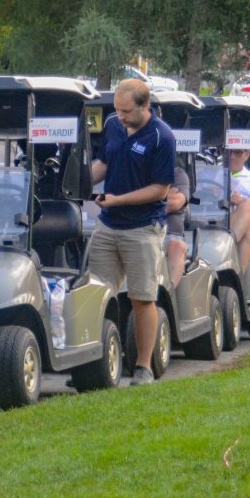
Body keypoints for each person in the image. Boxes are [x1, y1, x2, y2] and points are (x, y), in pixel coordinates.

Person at [87, 79, 176, 385]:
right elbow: (104, 162)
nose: (121, 117)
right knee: (99, 294)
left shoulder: (162, 137)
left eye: (126, 111)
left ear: (144, 106)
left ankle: (143, 366)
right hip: (108, 224)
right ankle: (99, 363)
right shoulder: (113, 125)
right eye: (117, 110)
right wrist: (82, 180)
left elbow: (159, 189)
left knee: (142, 297)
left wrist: (118, 200)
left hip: (142, 227)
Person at [165, 165, 191, 288]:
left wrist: (136, 205)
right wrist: (164, 197)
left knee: (177, 247)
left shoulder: (177, 174)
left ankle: (168, 294)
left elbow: (174, 203)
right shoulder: (131, 172)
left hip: (169, 234)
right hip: (135, 230)